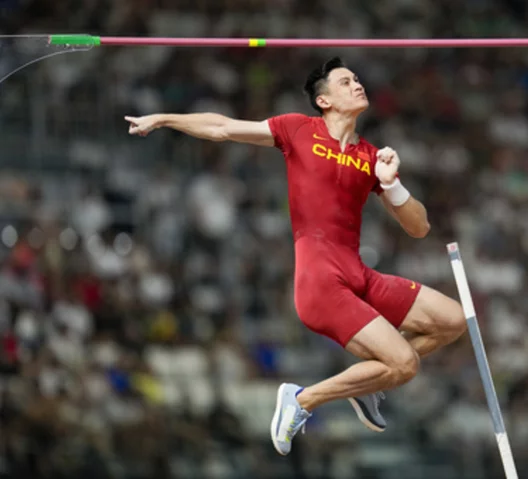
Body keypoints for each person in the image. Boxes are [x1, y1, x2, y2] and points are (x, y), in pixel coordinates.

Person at [124, 57, 466, 456]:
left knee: (452, 320)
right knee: (404, 364)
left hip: (357, 274)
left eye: (357, 79)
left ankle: (372, 380)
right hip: (320, 282)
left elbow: (419, 227)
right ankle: (302, 399)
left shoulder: (373, 157)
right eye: (345, 81)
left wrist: (391, 187)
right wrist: (164, 119)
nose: (357, 84)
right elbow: (223, 127)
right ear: (324, 101)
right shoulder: (298, 129)